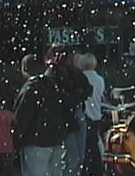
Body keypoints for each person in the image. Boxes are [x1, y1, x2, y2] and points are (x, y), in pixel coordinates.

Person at [14, 53, 68, 176]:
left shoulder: (30, 89)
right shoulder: (53, 86)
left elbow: (21, 118)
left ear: (24, 69)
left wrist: (17, 138)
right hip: (56, 138)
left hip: (36, 141)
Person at [44, 44, 92, 176]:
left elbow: (87, 88)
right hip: (64, 118)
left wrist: (76, 95)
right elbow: (62, 98)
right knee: (71, 157)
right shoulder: (52, 74)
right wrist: (77, 94)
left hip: (76, 114)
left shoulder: (74, 72)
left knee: (79, 156)